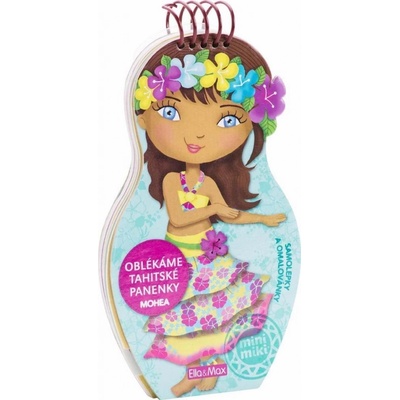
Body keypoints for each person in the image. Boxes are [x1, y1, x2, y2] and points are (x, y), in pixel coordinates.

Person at [134, 37, 286, 397]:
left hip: (208, 260)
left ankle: (207, 372)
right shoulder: (172, 180)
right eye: (172, 113)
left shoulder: (208, 182)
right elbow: (178, 218)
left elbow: (230, 215)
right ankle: (197, 371)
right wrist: (214, 209)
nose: (199, 134)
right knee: (189, 320)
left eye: (226, 119)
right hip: (180, 259)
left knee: (209, 317)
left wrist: (261, 220)